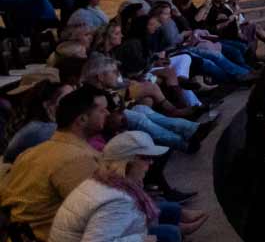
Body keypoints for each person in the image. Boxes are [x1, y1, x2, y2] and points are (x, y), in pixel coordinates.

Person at [49, 131, 205, 242]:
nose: (151, 163)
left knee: (165, 226)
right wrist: (143, 239)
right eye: (146, 158)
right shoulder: (115, 199)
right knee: (169, 234)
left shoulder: (105, 180)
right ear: (127, 163)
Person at [0, 86, 111, 240]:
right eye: (102, 110)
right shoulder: (76, 159)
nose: (108, 113)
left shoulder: (31, 152)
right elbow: (98, 216)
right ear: (82, 119)